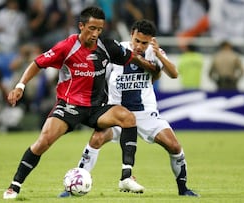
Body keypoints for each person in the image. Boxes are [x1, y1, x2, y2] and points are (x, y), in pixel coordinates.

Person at [3, 6, 158, 199]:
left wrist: (150, 67)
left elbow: (131, 57)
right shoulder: (66, 47)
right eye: (92, 28)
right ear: (81, 26)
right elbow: (37, 63)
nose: (96, 34)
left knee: (127, 118)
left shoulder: (107, 47)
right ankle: (14, 186)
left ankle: (126, 177)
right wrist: (20, 86)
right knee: (43, 142)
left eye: (99, 29)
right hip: (70, 106)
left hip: (96, 108)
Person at [61, 19, 199, 197]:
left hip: (146, 114)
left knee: (174, 146)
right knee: (96, 140)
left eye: (144, 42)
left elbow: (173, 74)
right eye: (137, 41)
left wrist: (159, 54)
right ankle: (73, 188)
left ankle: (183, 189)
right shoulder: (116, 50)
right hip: (117, 113)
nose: (140, 46)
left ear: (150, 41)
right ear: (131, 35)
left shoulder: (153, 52)